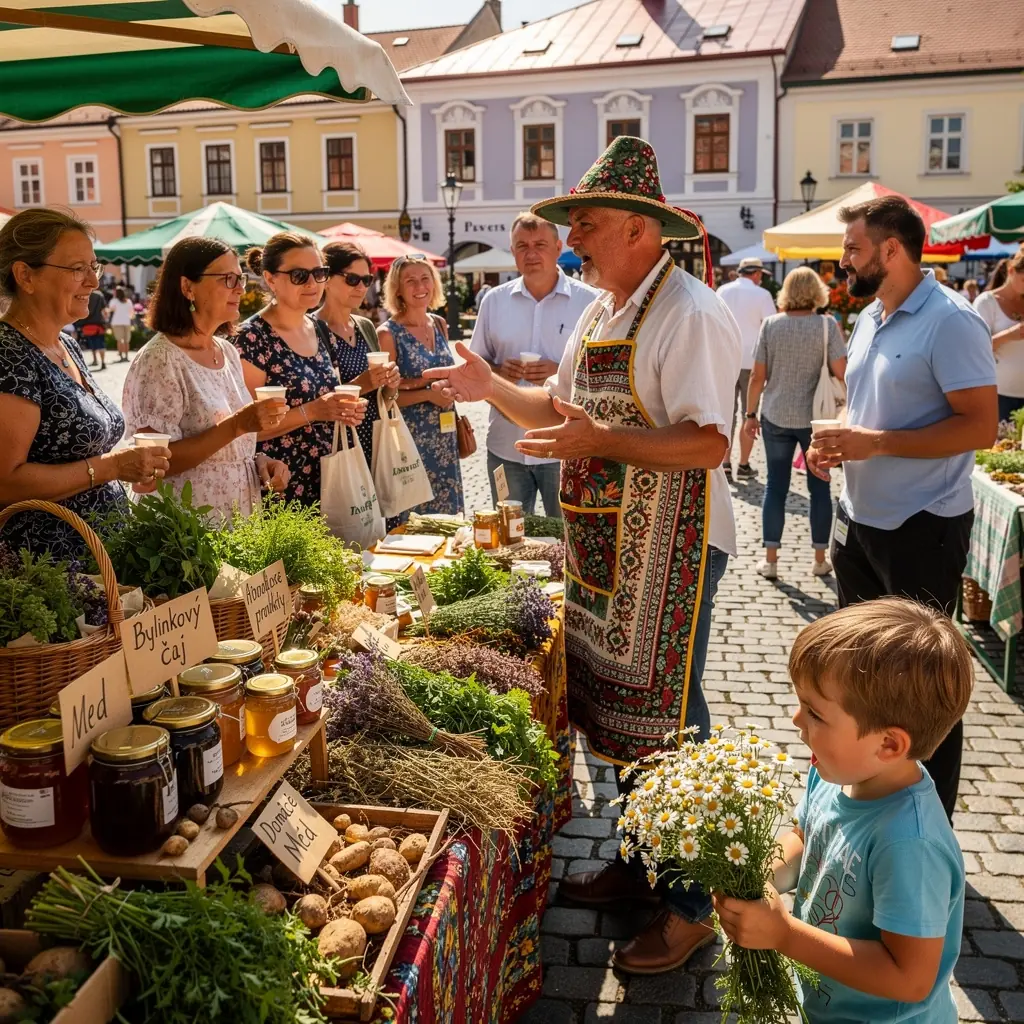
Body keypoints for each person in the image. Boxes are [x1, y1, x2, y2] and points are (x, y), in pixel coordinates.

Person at [423, 136, 741, 973]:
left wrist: (600, 439)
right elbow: (555, 409)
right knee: (619, 715)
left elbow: (708, 444)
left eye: (587, 223)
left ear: (638, 228)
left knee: (669, 724)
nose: (573, 240)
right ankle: (640, 862)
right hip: (607, 547)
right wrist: (489, 387)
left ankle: (693, 904)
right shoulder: (604, 311)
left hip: (673, 551)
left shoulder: (689, 312)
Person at [808, 194, 997, 821]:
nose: (843, 262)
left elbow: (980, 427)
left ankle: (927, 824)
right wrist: (839, 442)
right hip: (858, 520)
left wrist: (875, 444)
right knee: (857, 672)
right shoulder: (870, 316)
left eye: (853, 249)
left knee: (922, 685)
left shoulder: (952, 320)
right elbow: (869, 412)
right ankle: (870, 797)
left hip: (922, 526)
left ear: (892, 250)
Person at [716, 599, 972, 1024]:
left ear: (888, 744)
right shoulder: (833, 774)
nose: (795, 719)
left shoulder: (910, 843)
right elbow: (805, 836)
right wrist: (761, 875)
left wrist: (784, 935)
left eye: (815, 713)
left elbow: (909, 978)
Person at [0, 209, 169, 558]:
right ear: (25, 275)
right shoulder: (7, 353)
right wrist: (113, 467)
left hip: (98, 558)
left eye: (94, 267)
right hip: (45, 566)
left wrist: (126, 466)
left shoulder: (66, 345)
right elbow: (6, 481)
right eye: (78, 269)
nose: (93, 282)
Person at [123, 236, 292, 523]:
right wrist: (238, 425)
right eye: (228, 279)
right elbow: (152, 464)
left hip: (235, 521)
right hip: (185, 530)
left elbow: (224, 448)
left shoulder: (226, 351)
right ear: (187, 287)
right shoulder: (161, 359)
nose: (240, 289)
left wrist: (258, 462)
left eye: (240, 278)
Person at [469, 212, 598, 516]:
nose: (531, 254)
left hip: (565, 447)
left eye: (540, 244)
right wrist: (499, 373)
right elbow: (477, 364)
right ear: (512, 252)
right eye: (522, 246)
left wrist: (559, 373)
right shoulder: (494, 301)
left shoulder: (590, 301)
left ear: (558, 248)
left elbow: (603, 373)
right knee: (509, 534)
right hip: (506, 445)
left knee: (567, 534)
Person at [234, 233, 367, 505]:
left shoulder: (320, 329)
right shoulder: (252, 338)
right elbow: (243, 428)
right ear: (270, 279)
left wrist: (345, 409)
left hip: (331, 481)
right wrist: (315, 410)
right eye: (299, 275)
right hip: (280, 485)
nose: (312, 283)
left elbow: (327, 400)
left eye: (319, 273)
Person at [744, 267, 846, 579]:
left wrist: (750, 415)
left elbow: (757, 376)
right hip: (817, 420)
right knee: (820, 486)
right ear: (817, 292)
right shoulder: (827, 326)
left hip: (776, 414)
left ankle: (771, 560)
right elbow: (843, 372)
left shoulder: (771, 325)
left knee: (775, 486)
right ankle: (819, 559)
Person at [378, 255, 463, 517]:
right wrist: (428, 394)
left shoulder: (439, 324)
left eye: (425, 278)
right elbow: (384, 398)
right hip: (409, 438)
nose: (420, 287)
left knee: (448, 517)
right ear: (398, 289)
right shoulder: (388, 333)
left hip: (445, 436)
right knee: (414, 516)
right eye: (410, 281)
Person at [316, 242, 400, 471]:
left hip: (375, 444)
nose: (361, 287)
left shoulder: (365, 326)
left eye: (367, 280)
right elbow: (313, 401)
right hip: (335, 449)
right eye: (352, 279)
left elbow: (382, 401)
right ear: (326, 279)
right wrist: (363, 384)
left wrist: (391, 385)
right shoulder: (311, 329)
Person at [716, 256, 776, 478]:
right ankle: (743, 464)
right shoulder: (762, 295)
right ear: (757, 274)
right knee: (749, 414)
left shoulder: (722, 291)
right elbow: (771, 327)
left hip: (726, 359)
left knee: (725, 413)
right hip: (752, 362)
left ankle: (725, 463)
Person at [973, 251, 1024, 421]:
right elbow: (974, 350)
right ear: (1011, 271)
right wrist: (1009, 335)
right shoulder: (987, 302)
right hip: (999, 394)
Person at [76, 284, 107, 370]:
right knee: (101, 343)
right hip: (98, 323)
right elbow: (104, 310)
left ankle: (95, 360)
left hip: (87, 324)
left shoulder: (84, 295)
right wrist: (105, 321)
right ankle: (103, 362)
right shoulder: (99, 295)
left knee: (92, 343)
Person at [105, 286, 134, 363]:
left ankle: (121, 356)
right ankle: (126, 356)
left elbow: (110, 310)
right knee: (126, 340)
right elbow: (131, 313)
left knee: (119, 340)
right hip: (126, 322)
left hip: (116, 322)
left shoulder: (114, 301)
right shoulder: (128, 301)